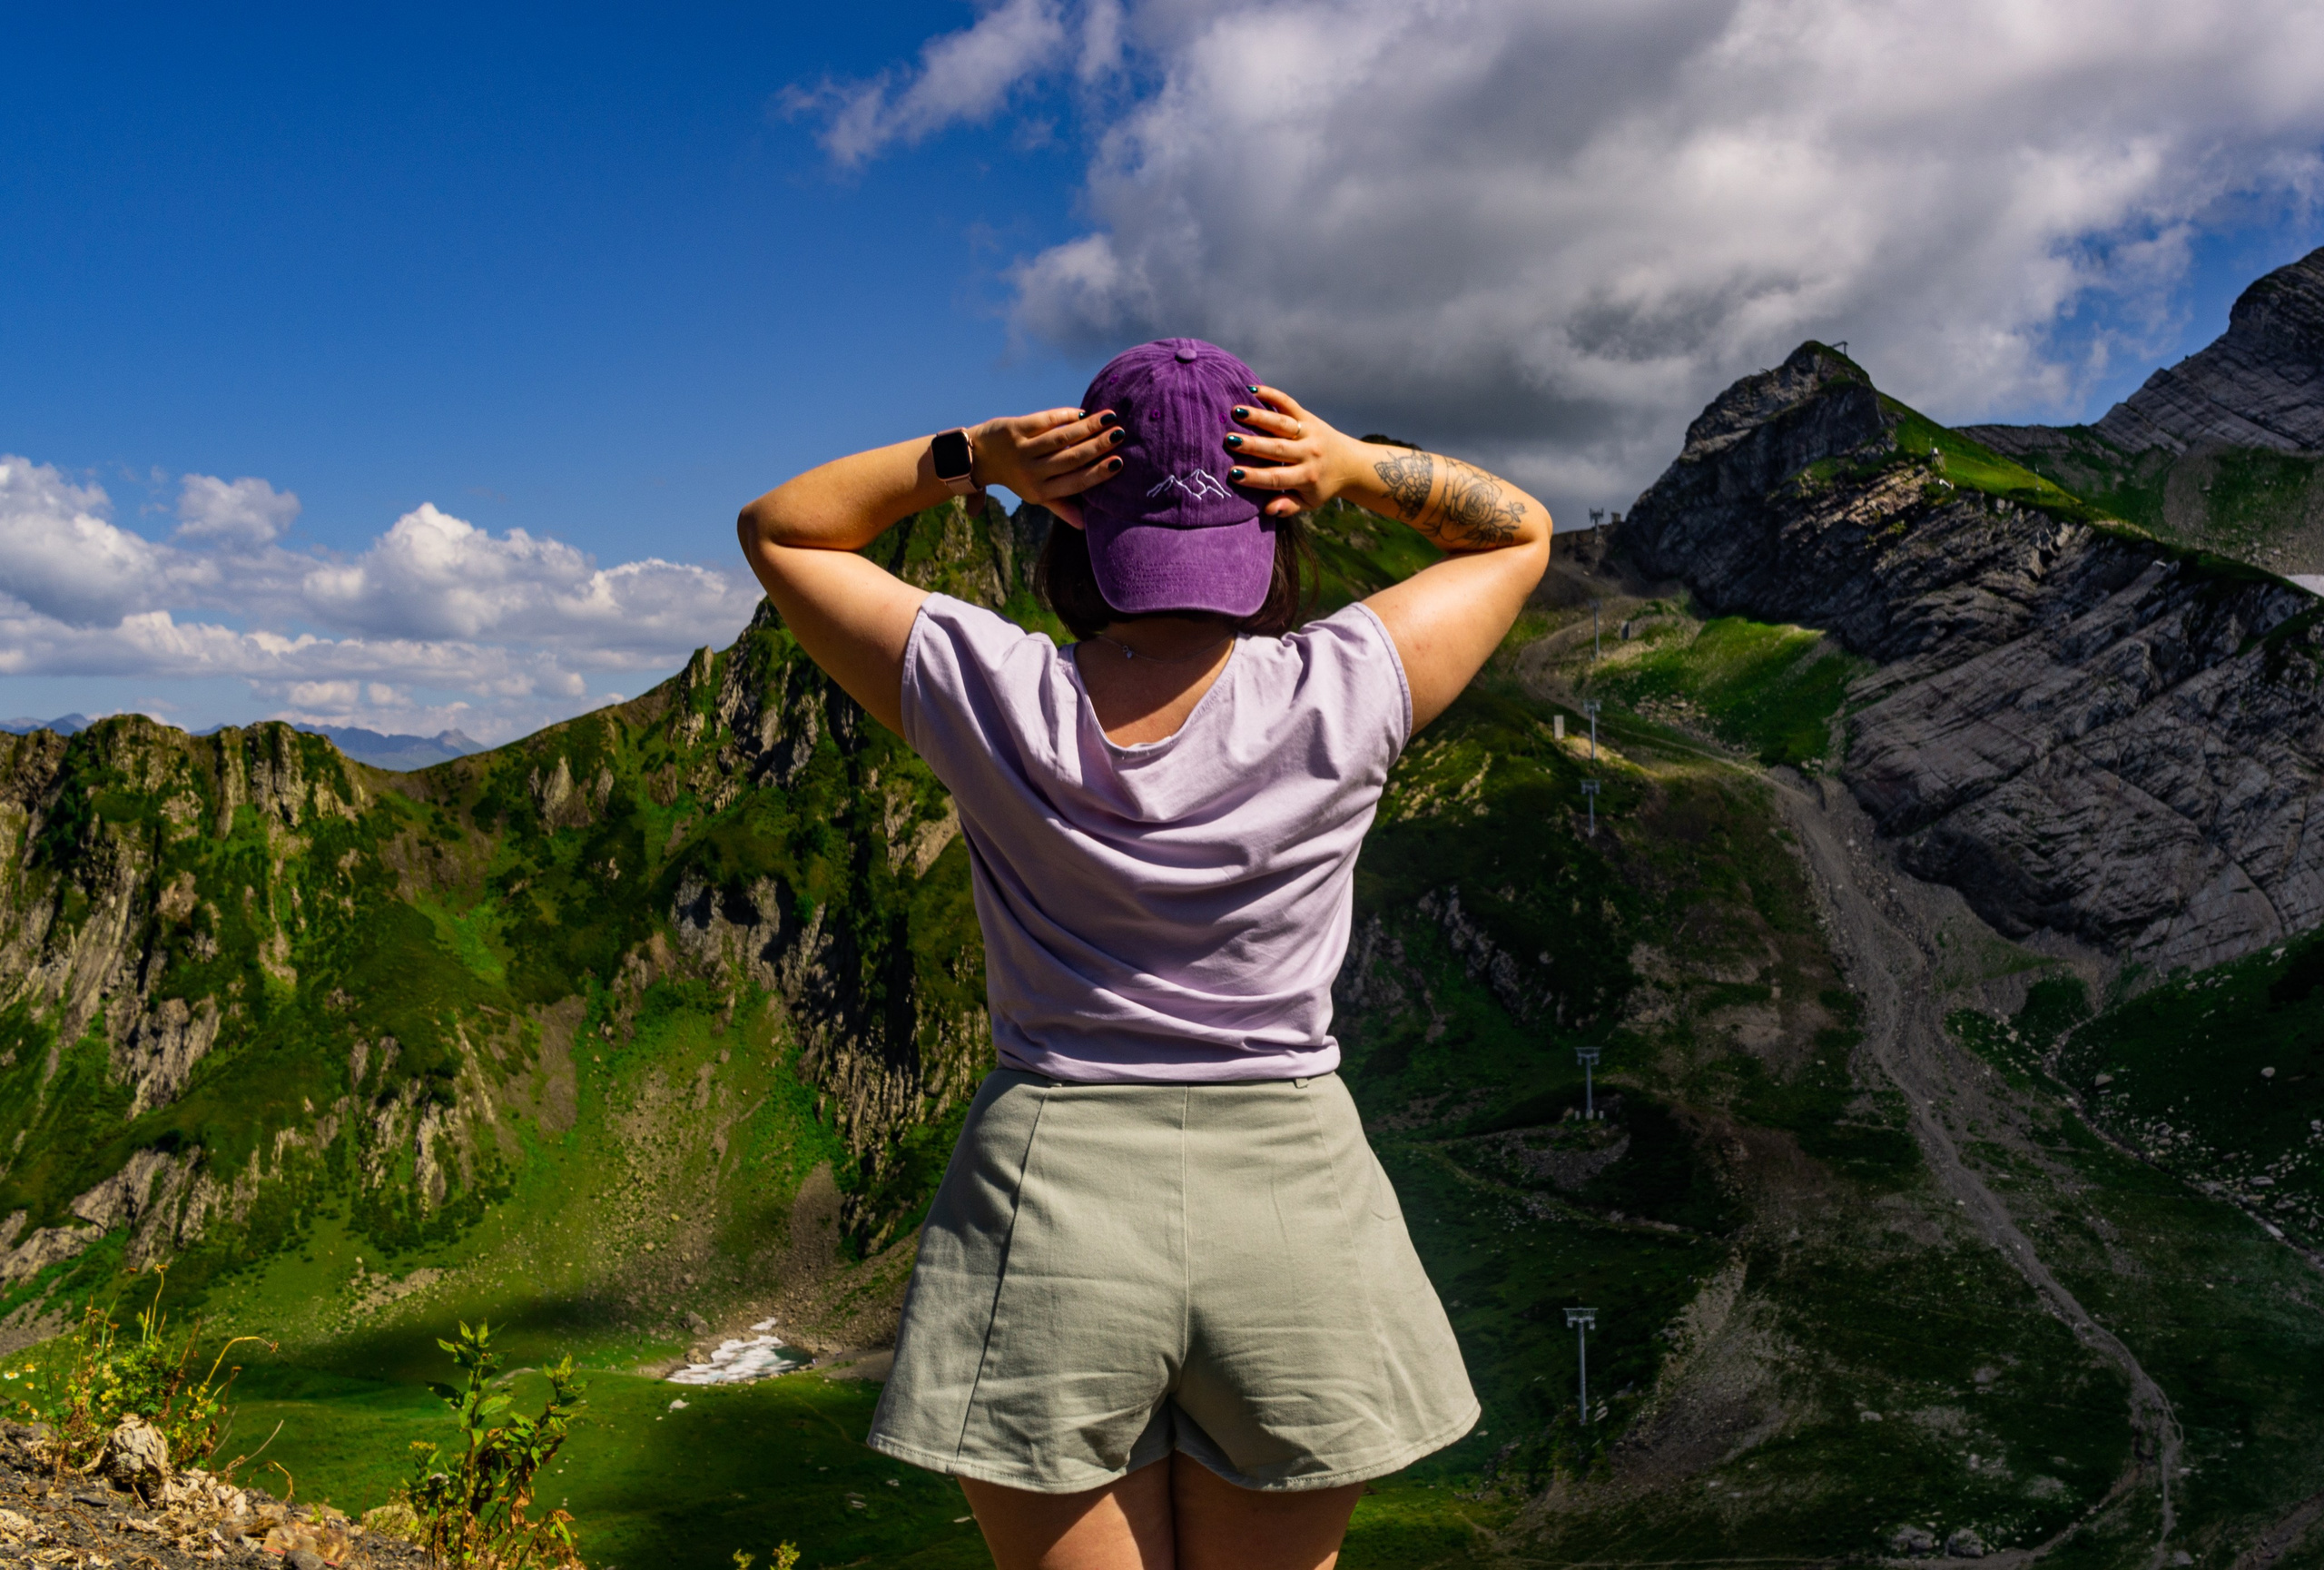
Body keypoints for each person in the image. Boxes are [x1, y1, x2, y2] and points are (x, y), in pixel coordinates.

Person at [736, 338, 1551, 1570]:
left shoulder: (992, 689)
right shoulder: (1345, 685)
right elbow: (1517, 535)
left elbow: (782, 532)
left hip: (1052, 1201)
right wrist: (1351, 463)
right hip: (1292, 1197)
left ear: (1073, 527)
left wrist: (976, 457)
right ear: (1271, 528)